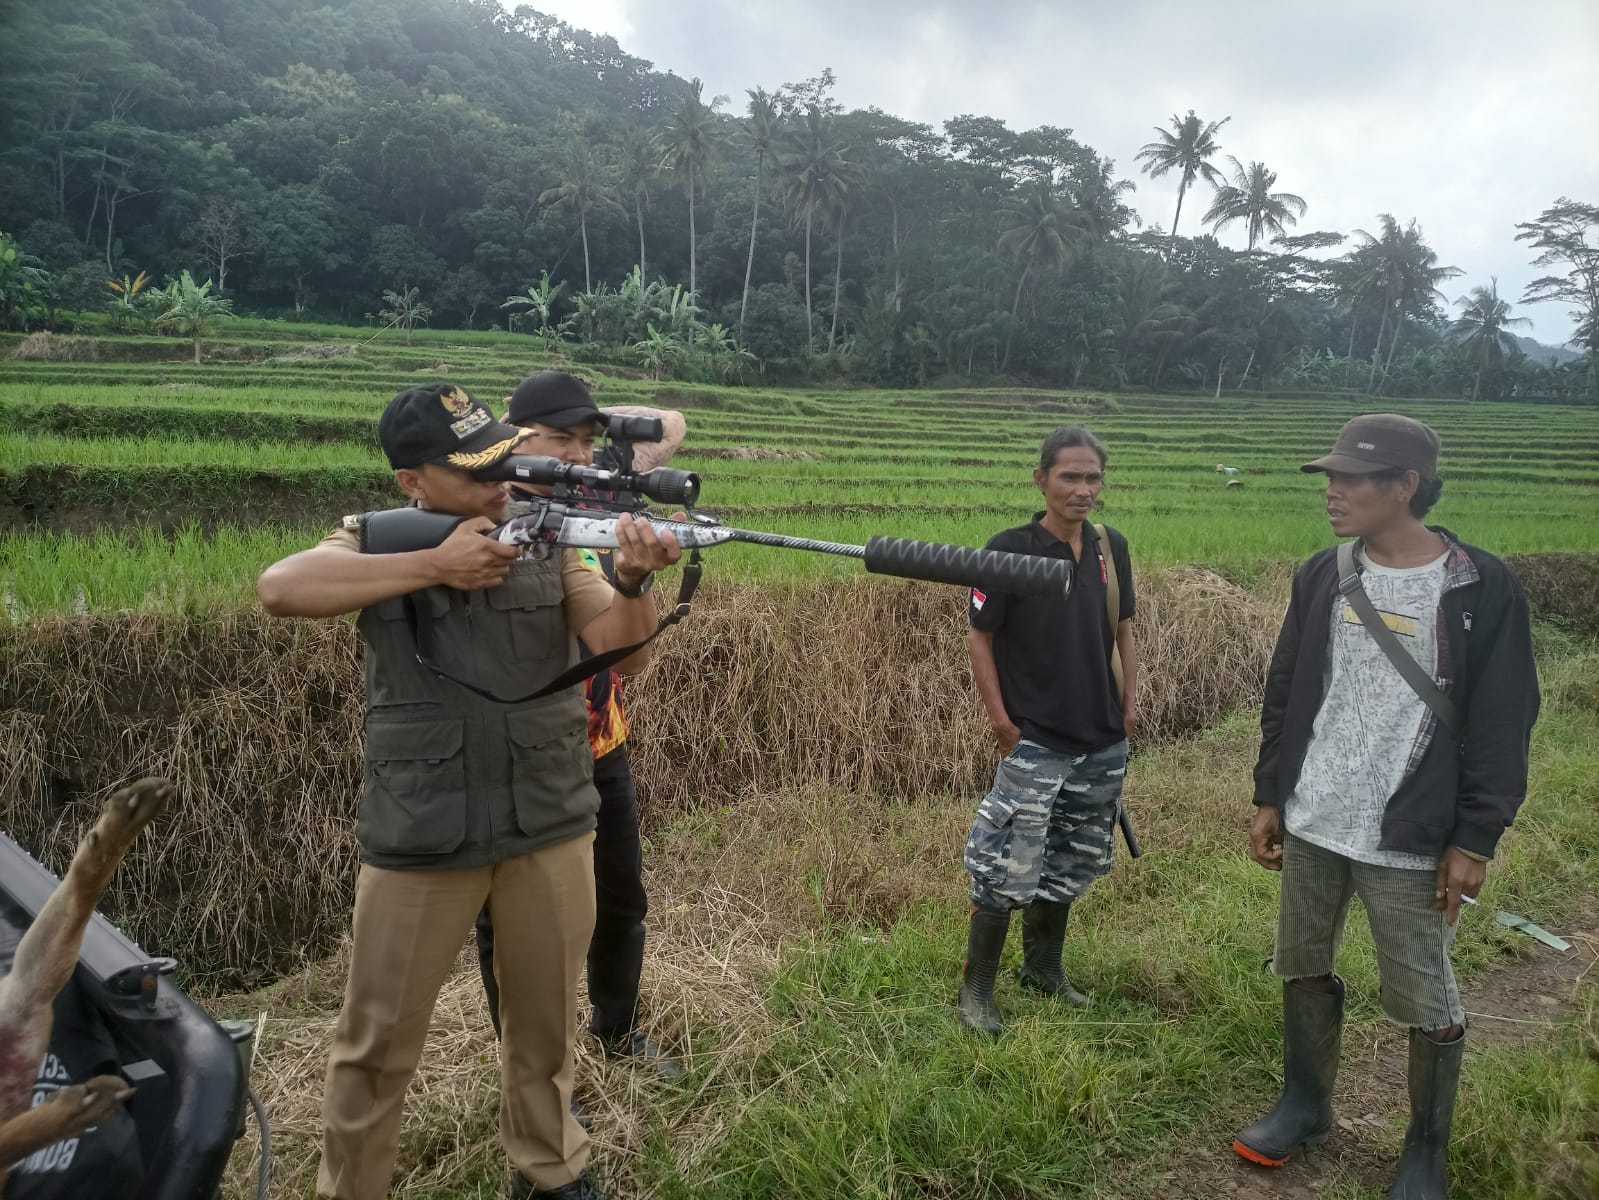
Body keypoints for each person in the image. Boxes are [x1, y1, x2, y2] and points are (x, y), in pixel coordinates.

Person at [256, 383, 682, 1200]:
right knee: (375, 1044)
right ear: (411, 483)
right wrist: (433, 563)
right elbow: (282, 588)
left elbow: (623, 656)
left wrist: (633, 582)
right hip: (424, 831)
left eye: (500, 460)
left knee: (545, 1029)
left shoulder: (550, 540)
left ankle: (550, 1167)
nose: (501, 481)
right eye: (473, 470)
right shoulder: (373, 538)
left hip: (549, 819)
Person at [1237, 414, 1539, 1199]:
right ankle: (1305, 1105)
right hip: (1314, 814)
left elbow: (1505, 718)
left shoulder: (1479, 585)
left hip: (1410, 830)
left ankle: (1425, 1150)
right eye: (1329, 478)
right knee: (1301, 965)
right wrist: (1270, 793)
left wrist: (1475, 835)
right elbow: (1285, 691)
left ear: (1403, 486)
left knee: (1424, 998)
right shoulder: (1322, 573)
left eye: (1350, 479)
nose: (1332, 492)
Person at [473, 371, 687, 1089]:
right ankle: (530, 1077)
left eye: (585, 440)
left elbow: (671, 422)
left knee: (622, 901)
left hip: (600, 740)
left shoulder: (598, 491)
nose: (573, 453)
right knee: (508, 930)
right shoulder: (484, 503)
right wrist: (515, 442)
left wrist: (593, 435)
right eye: (556, 437)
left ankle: (618, 1030)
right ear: (510, 431)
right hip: (514, 751)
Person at [958, 426, 1138, 1036]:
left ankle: (1044, 969)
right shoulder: (1009, 549)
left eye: (1092, 478)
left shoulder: (1112, 548)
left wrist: (1129, 705)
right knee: (1006, 862)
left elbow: (1124, 632)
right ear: (1041, 480)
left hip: (1101, 736)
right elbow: (980, 638)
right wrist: (1003, 724)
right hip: (1036, 735)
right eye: (1070, 476)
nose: (1083, 489)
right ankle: (978, 989)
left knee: (1070, 860)